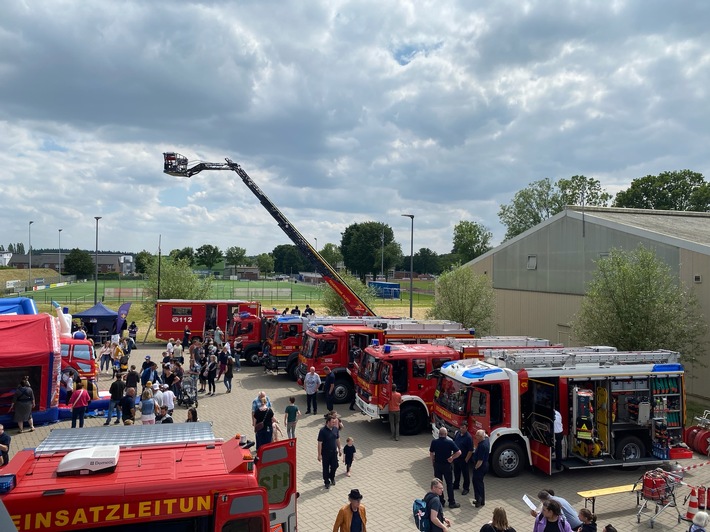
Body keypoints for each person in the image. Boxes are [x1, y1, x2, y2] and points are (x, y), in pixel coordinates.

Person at [429, 427, 461, 508]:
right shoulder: (450, 442)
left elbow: (431, 453)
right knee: (449, 484)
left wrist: (433, 462)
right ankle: (451, 502)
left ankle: (441, 501)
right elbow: (459, 452)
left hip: (437, 465)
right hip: (447, 466)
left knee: (438, 484)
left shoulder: (434, 442)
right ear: (446, 434)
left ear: (439, 434)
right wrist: (452, 458)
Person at [317, 415, 340, 489]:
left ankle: (332, 477)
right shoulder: (322, 431)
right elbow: (319, 443)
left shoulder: (335, 429)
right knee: (325, 468)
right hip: (326, 453)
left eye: (334, 422)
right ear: (328, 422)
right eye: (332, 422)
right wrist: (319, 454)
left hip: (334, 452)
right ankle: (326, 481)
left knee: (335, 465)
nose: (334, 424)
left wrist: (340, 449)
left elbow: (337, 439)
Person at [453, 421, 473, 495]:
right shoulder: (458, 433)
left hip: (463, 458)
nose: (461, 429)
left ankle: (466, 488)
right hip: (456, 457)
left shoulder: (468, 437)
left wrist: (466, 460)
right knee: (456, 472)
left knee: (465, 474)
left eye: (463, 428)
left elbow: (470, 450)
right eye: (461, 427)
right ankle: (456, 485)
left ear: (467, 428)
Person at [471, 429, 490, 508]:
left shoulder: (482, 446)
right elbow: (486, 435)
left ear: (481, 436)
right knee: (480, 483)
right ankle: (481, 500)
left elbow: (480, 460)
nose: (475, 437)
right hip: (485, 465)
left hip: (480, 467)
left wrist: (475, 467)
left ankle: (479, 500)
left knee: (477, 482)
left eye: (477, 435)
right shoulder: (486, 440)